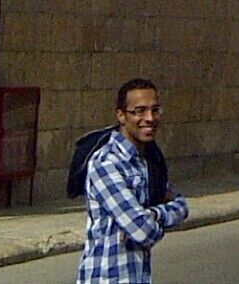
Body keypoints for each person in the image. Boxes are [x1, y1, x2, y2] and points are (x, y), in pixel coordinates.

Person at [77, 78, 190, 284]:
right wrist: (149, 221)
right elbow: (142, 231)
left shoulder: (148, 162)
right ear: (121, 115)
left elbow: (181, 206)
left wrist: (153, 213)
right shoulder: (106, 163)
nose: (149, 118)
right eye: (139, 111)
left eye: (155, 110)